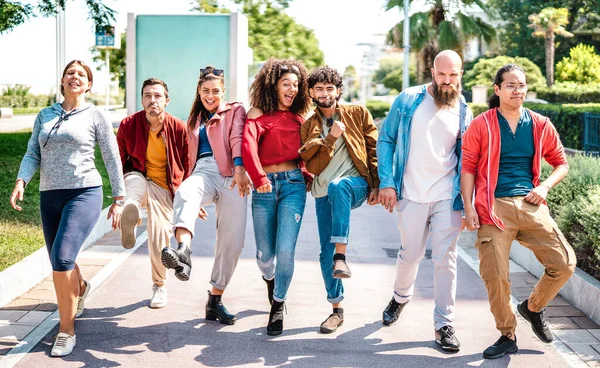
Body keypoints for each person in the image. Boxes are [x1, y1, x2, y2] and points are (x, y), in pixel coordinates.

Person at [10, 60, 125, 357]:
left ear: (88, 85)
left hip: (84, 192)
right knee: (62, 257)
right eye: (70, 73)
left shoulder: (96, 115)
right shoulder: (45, 115)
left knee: (60, 259)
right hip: (50, 194)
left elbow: (111, 158)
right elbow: (32, 152)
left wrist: (119, 198)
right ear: (62, 81)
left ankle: (66, 330)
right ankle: (82, 287)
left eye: (81, 75)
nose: (75, 77)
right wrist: (22, 180)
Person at [461, 64, 576, 359]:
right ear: (497, 89)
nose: (518, 90)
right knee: (496, 275)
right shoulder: (481, 125)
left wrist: (545, 187)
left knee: (564, 263)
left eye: (522, 85)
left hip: (531, 204)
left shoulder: (540, 124)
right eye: (511, 85)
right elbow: (468, 168)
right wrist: (469, 206)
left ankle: (533, 308)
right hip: (492, 207)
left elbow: (561, 163)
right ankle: (507, 334)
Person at [377, 50, 472, 351]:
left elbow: (468, 159)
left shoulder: (463, 110)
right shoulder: (408, 100)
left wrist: (470, 204)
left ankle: (444, 323)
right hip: (411, 193)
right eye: (442, 75)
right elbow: (386, 139)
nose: (447, 81)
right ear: (432, 72)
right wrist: (387, 182)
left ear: (461, 74)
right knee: (410, 255)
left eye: (453, 75)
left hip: (447, 194)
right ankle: (400, 297)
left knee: (446, 259)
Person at [166, 66, 251, 325]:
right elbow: (185, 159)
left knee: (232, 242)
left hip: (233, 176)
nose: (210, 95)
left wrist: (239, 169)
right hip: (204, 172)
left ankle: (215, 300)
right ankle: (183, 252)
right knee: (186, 191)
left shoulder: (235, 109)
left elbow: (237, 138)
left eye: (215, 91)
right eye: (205, 91)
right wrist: (191, 203)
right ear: (199, 92)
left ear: (223, 91)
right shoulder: (193, 121)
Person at [298, 66, 379, 334]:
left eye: (329, 88)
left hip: (354, 184)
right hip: (323, 193)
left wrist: (377, 185)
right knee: (324, 254)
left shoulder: (357, 113)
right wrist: (330, 138)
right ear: (311, 92)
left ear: (338, 90)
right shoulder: (309, 125)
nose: (324, 93)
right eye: (318, 89)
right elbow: (315, 166)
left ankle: (341, 255)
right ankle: (336, 309)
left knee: (340, 185)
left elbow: (373, 148)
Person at [242, 58, 312, 336]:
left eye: (296, 85)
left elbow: (307, 152)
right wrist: (259, 178)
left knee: (286, 250)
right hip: (264, 187)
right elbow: (248, 146)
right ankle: (270, 279)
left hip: (293, 186)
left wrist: (306, 173)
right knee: (264, 254)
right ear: (273, 85)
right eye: (286, 84)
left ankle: (278, 305)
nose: (292, 89)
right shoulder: (258, 113)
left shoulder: (300, 119)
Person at [116, 78, 190, 309]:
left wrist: (189, 200)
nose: (152, 100)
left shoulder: (179, 127)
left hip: (164, 188)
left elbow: (188, 165)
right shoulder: (128, 124)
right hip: (137, 177)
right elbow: (119, 162)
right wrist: (118, 199)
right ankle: (133, 211)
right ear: (141, 100)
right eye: (147, 95)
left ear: (166, 101)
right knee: (135, 188)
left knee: (159, 237)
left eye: (157, 96)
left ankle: (159, 285)